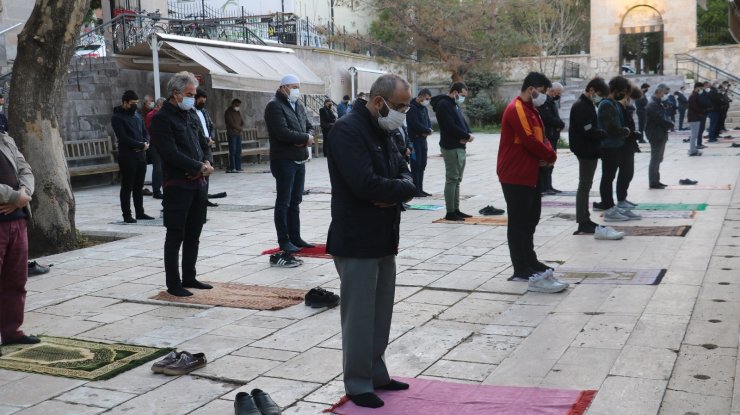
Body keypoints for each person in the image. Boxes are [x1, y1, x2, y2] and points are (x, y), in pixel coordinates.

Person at [326, 73, 417, 409]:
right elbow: (365, 185)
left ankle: (377, 372)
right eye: (399, 106)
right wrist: (396, 189)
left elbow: (406, 173)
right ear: (379, 102)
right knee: (360, 316)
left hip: (384, 236)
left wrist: (395, 191)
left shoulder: (385, 128)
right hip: (357, 238)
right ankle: (358, 382)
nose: (403, 113)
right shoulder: (347, 130)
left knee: (381, 313)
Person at [498, 71, 567, 292]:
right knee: (519, 222)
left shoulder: (532, 110)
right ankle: (520, 267)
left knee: (531, 218)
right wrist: (550, 156)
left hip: (530, 173)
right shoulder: (516, 108)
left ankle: (530, 259)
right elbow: (528, 140)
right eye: (543, 92)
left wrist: (547, 154)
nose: (544, 96)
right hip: (515, 174)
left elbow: (542, 138)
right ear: (531, 89)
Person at [150, 71, 214, 297]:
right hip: (178, 184)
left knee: (194, 232)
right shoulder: (162, 118)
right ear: (175, 94)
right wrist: (197, 167)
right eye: (189, 94)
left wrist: (206, 162)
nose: (192, 98)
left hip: (199, 184)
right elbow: (169, 153)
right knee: (175, 233)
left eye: (194, 94)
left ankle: (190, 275)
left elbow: (204, 143)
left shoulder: (192, 115)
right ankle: (173, 282)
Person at [264, 74, 316, 255]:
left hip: (299, 158)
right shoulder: (274, 106)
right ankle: (284, 240)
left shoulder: (299, 104)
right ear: (283, 88)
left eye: (298, 87)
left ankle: (295, 236)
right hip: (284, 159)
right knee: (284, 201)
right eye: (293, 87)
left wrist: (306, 137)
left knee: (296, 200)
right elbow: (282, 133)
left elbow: (309, 126)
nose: (296, 90)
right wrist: (304, 139)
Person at [0, 131, 39, 345]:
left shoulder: (4, 137)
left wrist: (23, 195)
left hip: (17, 220)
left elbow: (26, 169)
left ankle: (11, 331)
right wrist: (15, 196)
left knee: (16, 280)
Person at [569, 77, 609, 234]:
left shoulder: (587, 104)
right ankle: (582, 221)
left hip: (589, 150)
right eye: (598, 94)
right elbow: (588, 131)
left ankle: (585, 218)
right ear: (591, 90)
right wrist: (602, 133)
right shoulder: (581, 106)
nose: (599, 98)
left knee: (586, 185)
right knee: (584, 186)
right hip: (585, 151)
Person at [431, 82, 474, 221]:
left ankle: (456, 209)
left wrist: (468, 134)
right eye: (462, 95)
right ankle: (450, 212)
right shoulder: (443, 104)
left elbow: (462, 122)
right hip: (451, 147)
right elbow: (449, 126)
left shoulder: (454, 104)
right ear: (455, 92)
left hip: (460, 146)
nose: (463, 98)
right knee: (452, 179)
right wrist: (465, 136)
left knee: (457, 180)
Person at [111, 90, 154, 223]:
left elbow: (145, 132)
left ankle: (140, 212)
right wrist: (141, 145)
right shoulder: (117, 117)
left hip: (141, 155)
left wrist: (145, 142)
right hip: (127, 156)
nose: (134, 106)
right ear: (124, 103)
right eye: (132, 103)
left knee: (138, 186)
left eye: (136, 103)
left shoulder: (137, 115)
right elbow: (123, 138)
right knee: (127, 186)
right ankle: (127, 215)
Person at [595, 76, 632, 221]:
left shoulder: (614, 103)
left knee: (610, 177)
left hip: (617, 145)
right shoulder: (606, 104)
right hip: (608, 146)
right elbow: (611, 127)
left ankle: (612, 206)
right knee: (607, 178)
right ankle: (608, 209)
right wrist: (626, 132)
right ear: (615, 89)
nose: (622, 94)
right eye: (621, 91)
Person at [537, 82, 565, 194]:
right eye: (558, 93)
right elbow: (547, 118)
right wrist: (560, 124)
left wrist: (558, 125)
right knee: (546, 162)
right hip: (548, 136)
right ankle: (544, 187)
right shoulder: (544, 102)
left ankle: (549, 185)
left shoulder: (551, 101)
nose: (558, 95)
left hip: (553, 135)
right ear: (552, 91)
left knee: (551, 162)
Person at [645, 83, 674, 189]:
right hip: (656, 134)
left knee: (659, 158)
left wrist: (666, 102)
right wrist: (671, 124)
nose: (665, 95)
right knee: (655, 158)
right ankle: (653, 182)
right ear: (659, 91)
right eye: (664, 93)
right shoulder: (652, 104)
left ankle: (656, 180)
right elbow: (660, 118)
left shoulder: (658, 102)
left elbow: (667, 111)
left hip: (660, 133)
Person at [194, 89, 219, 208]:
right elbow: (195, 130)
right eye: (200, 100)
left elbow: (211, 126)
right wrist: (205, 139)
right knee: (201, 170)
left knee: (208, 170)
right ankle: (199, 198)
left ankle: (205, 197)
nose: (203, 102)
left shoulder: (204, 112)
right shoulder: (191, 112)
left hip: (208, 145)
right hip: (199, 144)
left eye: (204, 100)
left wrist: (211, 137)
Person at [406, 88, 433, 196]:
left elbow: (428, 122)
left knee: (422, 164)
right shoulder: (411, 108)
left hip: (423, 141)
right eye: (426, 98)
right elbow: (414, 124)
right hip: (414, 141)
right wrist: (426, 130)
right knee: (415, 165)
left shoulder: (424, 108)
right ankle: (415, 189)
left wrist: (429, 130)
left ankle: (420, 189)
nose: (427, 101)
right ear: (421, 96)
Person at [145, 97, 166, 199]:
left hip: (162, 143)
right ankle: (156, 192)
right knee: (157, 168)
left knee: (162, 167)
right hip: (155, 144)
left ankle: (163, 189)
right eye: (163, 106)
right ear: (158, 105)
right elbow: (152, 129)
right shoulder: (151, 115)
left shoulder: (161, 114)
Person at [224, 99, 244, 173]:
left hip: (238, 134)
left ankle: (238, 167)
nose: (238, 106)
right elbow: (231, 123)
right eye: (236, 105)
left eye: (239, 105)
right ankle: (233, 167)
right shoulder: (228, 112)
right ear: (233, 104)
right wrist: (239, 129)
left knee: (238, 151)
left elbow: (242, 121)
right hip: (232, 134)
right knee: (233, 151)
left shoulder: (238, 112)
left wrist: (240, 129)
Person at [687, 82, 706, 156]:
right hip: (694, 117)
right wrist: (703, 111)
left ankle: (693, 149)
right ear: (697, 87)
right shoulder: (693, 96)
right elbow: (695, 107)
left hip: (695, 117)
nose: (701, 90)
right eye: (701, 88)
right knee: (694, 135)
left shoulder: (695, 95)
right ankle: (692, 151)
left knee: (694, 134)